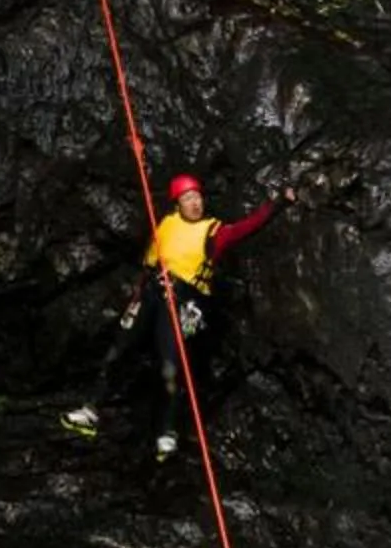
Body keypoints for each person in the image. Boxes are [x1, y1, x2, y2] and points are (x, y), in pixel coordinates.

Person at [61, 173, 293, 456]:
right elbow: (149, 264)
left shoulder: (213, 231)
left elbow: (248, 226)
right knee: (118, 349)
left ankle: (167, 431)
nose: (195, 203)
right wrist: (137, 295)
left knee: (171, 364)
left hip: (184, 299)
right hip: (153, 291)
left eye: (197, 197)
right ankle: (90, 410)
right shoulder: (167, 224)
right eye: (188, 198)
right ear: (178, 204)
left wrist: (279, 203)